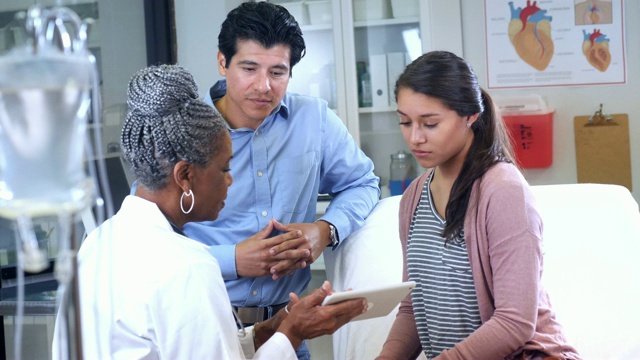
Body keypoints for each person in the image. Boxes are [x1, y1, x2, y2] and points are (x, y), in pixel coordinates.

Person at [52, 64, 367, 359]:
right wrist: (294, 333)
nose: (231, 180)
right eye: (225, 168)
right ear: (185, 176)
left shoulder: (97, 243)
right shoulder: (189, 267)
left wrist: (276, 326)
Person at [182, 2, 380, 358]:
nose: (263, 86)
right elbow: (146, 244)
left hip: (288, 332)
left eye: (278, 72)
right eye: (249, 68)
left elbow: (363, 183)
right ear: (222, 63)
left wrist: (325, 230)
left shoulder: (314, 119)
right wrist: (232, 260)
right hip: (203, 332)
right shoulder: (185, 133)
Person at [376, 51, 581, 360]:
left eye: (430, 124)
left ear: (470, 116)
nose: (414, 137)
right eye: (405, 122)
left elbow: (515, 322)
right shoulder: (413, 199)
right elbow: (413, 306)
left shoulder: (503, 192)